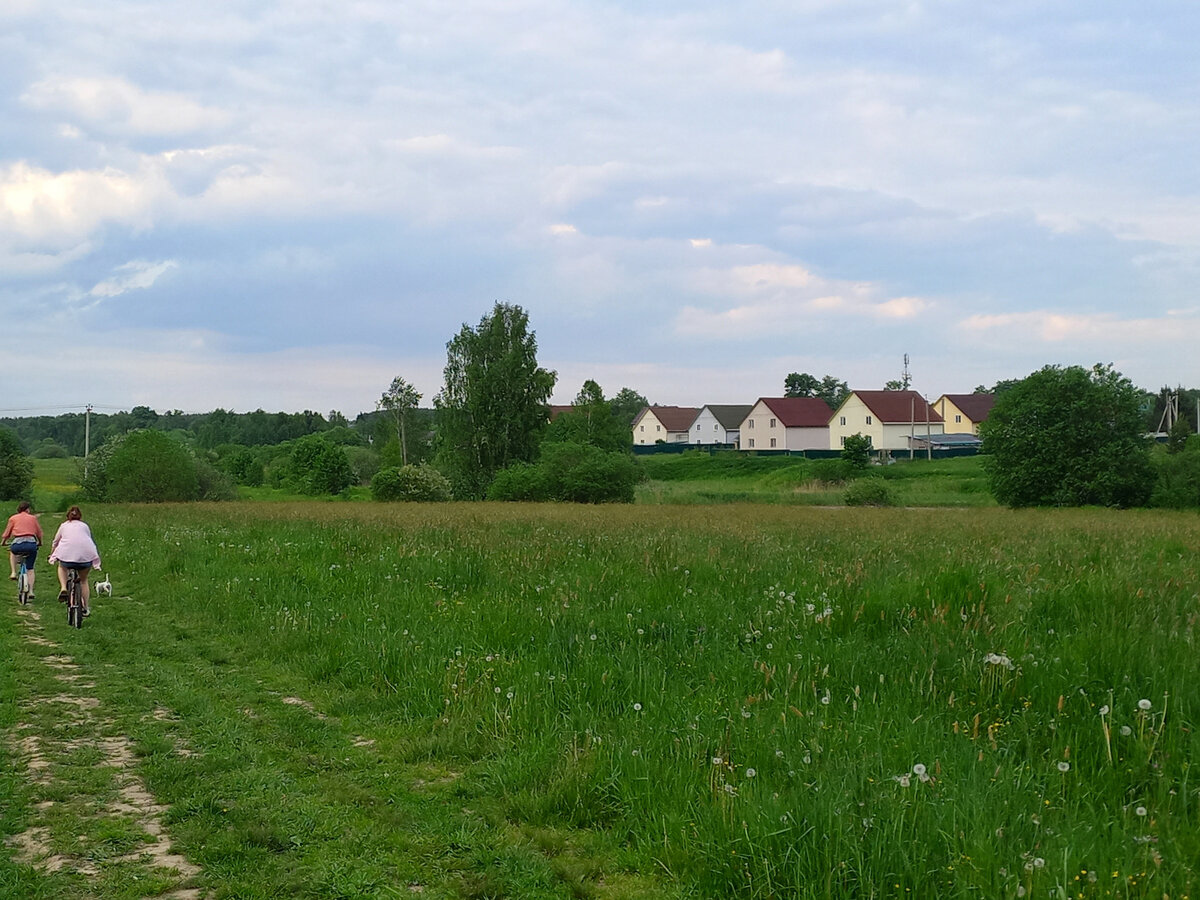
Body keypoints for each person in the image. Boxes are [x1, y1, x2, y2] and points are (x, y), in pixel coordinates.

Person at [48, 505, 101, 616]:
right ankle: (85, 607)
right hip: (85, 558)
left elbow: (55, 542)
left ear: (68, 516)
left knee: (62, 567)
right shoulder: (85, 526)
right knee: (83, 581)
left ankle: (63, 587)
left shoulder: (64, 526)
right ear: (80, 516)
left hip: (67, 558)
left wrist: (52, 554)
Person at [3, 500, 43, 599]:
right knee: (30, 568)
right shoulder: (33, 518)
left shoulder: (13, 518)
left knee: (12, 552)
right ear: (28, 510)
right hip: (31, 544)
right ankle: (31, 591)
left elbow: (7, 533)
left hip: (18, 543)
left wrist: (3, 542)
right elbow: (39, 533)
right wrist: (40, 542)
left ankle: (13, 572)